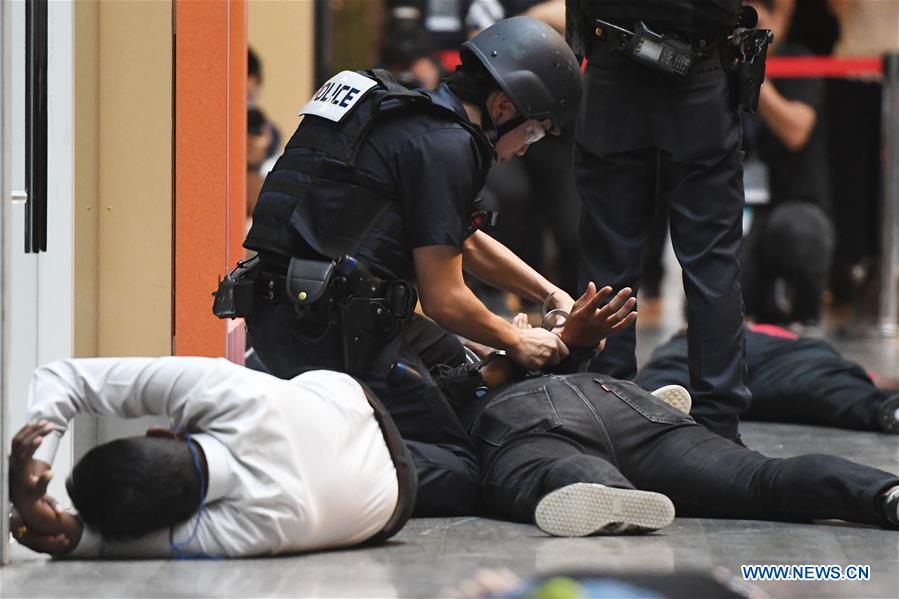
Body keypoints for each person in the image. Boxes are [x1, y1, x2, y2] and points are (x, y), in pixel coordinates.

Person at [236, 17, 585, 516]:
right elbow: (445, 299)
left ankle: (324, 431)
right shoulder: (448, 144)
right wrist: (514, 339)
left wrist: (550, 294)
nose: (525, 148)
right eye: (533, 131)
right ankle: (277, 468)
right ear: (503, 107)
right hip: (332, 332)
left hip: (295, 312)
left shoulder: (408, 117)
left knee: (460, 370)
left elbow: (460, 238)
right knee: (457, 469)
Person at [427, 290, 899, 537]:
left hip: (517, 421)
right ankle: (884, 492)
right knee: (760, 477)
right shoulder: (477, 326)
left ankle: (607, 488)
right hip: (614, 399)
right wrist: (546, 344)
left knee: (546, 469)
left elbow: (433, 426)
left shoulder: (418, 347)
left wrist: (503, 362)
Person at [567, 0, 754, 443]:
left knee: (608, 261)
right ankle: (718, 429)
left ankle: (606, 415)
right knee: (712, 265)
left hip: (612, 63)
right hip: (700, 70)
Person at [8, 357, 415, 558]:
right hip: (353, 401)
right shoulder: (223, 389)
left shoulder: (257, 525)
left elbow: (111, 543)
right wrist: (37, 460)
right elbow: (63, 377)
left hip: (392, 496)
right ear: (159, 433)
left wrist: (49, 521)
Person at [636, 323, 899, 435]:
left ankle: (635, 416)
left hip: (712, 349)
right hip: (784, 358)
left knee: (660, 388)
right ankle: (882, 408)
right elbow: (868, 377)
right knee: (825, 387)